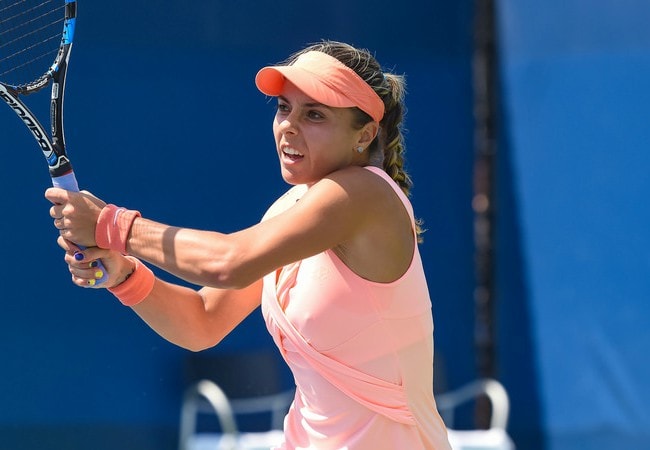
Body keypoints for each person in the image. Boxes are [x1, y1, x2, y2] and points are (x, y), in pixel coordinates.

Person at [45, 40, 452, 450]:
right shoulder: (292, 206)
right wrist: (125, 275)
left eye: (314, 114)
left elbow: (229, 262)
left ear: (363, 134)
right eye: (283, 107)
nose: (289, 125)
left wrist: (110, 225)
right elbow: (202, 321)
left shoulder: (364, 193)